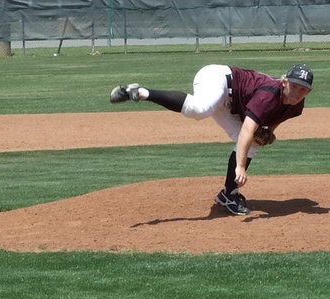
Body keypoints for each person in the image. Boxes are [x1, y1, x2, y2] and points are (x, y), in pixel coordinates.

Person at [110, 63, 314, 215]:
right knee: (200, 109)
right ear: (285, 81)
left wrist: (269, 133)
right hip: (218, 79)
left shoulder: (297, 105)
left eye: (303, 89)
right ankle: (141, 92)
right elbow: (246, 130)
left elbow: (276, 116)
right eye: (295, 85)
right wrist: (240, 167)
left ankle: (228, 194)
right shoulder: (268, 95)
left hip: (232, 103)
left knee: (254, 143)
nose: (298, 92)